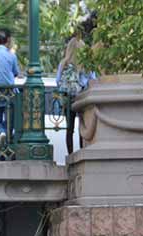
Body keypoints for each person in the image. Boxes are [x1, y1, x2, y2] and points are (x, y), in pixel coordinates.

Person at [56, 13, 97, 155]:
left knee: (69, 128)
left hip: (68, 99)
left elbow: (57, 81)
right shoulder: (86, 65)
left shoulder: (64, 63)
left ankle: (70, 154)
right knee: (82, 126)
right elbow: (92, 79)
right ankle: (81, 152)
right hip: (82, 99)